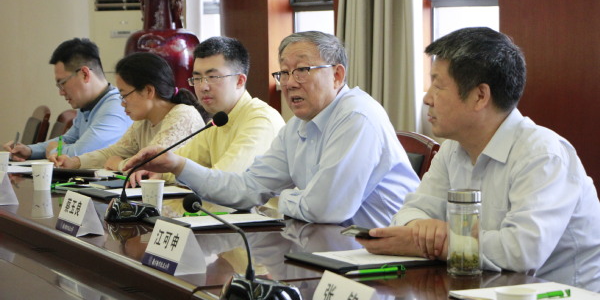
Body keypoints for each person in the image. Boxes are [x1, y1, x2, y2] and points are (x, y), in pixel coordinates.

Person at [358, 27, 600, 291]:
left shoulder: (542, 154)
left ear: (480, 96)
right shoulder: (453, 149)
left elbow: (521, 252)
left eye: (438, 86)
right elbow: (411, 211)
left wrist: (442, 242)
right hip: (486, 289)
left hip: (559, 294)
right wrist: (421, 229)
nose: (427, 98)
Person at [126, 31, 420, 227]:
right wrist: (177, 165)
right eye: (284, 73)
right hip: (330, 247)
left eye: (301, 70)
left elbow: (326, 209)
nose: (289, 83)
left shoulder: (356, 116)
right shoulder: (296, 127)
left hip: (385, 261)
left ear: (337, 75)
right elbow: (246, 189)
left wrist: (280, 200)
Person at [128, 36, 286, 194]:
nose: (203, 87)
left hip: (261, 210)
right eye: (197, 78)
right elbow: (185, 159)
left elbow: (225, 183)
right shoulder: (218, 121)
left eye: (213, 77)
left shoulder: (260, 120)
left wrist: (174, 167)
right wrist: (156, 169)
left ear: (239, 81)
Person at [51, 52, 205, 171]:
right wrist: (74, 162)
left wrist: (119, 165)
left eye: (124, 95)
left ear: (148, 91)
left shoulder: (182, 115)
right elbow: (113, 152)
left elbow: (152, 167)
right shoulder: (144, 121)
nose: (122, 103)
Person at [3, 38, 132, 160]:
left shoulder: (115, 107)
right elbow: (67, 139)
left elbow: (80, 153)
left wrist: (53, 150)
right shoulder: (88, 105)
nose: (61, 92)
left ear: (85, 74)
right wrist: (29, 150)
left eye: (62, 83)